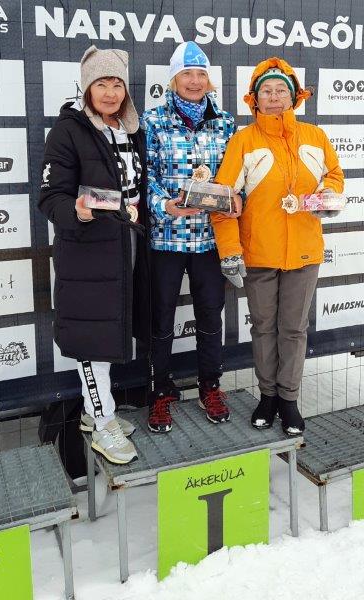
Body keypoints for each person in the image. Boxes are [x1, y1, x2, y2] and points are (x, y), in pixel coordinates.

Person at [211, 57, 344, 436]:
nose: (273, 97)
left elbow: (335, 176)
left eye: (280, 90)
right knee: (264, 328)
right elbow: (222, 199)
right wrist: (230, 250)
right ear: (254, 99)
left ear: (293, 96)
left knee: (294, 330)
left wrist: (327, 196)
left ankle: (289, 400)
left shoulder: (315, 137)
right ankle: (267, 397)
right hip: (259, 254)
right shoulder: (243, 141)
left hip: (304, 252)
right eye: (266, 91)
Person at [39, 45, 150, 463]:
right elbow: (50, 197)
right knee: (93, 340)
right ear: (86, 88)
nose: (110, 92)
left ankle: (94, 411)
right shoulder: (67, 131)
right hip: (87, 254)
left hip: (126, 247)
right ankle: (103, 423)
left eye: (117, 83)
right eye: (101, 83)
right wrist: (78, 211)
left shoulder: (130, 128)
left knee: (112, 329)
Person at [141, 41, 241, 433]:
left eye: (201, 74)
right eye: (187, 74)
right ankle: (160, 393)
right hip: (166, 238)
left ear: (209, 80)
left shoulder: (226, 123)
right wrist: (163, 204)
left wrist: (237, 198)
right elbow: (143, 176)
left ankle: (209, 387)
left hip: (210, 239)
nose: (195, 81)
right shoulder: (152, 121)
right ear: (174, 79)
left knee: (211, 316)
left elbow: (238, 176)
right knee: (161, 318)